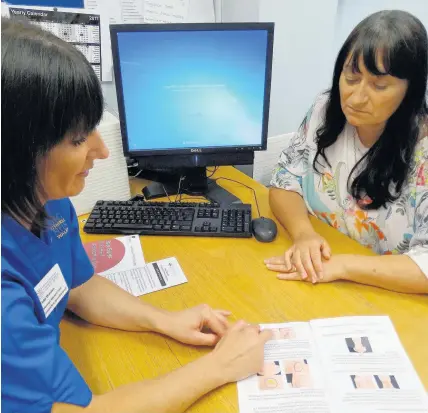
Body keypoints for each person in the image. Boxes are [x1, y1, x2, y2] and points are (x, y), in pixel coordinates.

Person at [1, 19, 272, 413]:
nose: (102, 151)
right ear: (17, 151)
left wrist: (163, 320)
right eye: (78, 139)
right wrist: (218, 367)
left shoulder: (47, 198)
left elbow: (76, 286)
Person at [265, 10, 428, 294]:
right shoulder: (324, 110)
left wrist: (342, 266)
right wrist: (304, 235)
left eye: (379, 86)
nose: (356, 97)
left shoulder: (422, 150)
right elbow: (284, 181)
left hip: (386, 296)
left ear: (409, 91)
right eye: (351, 78)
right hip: (322, 281)